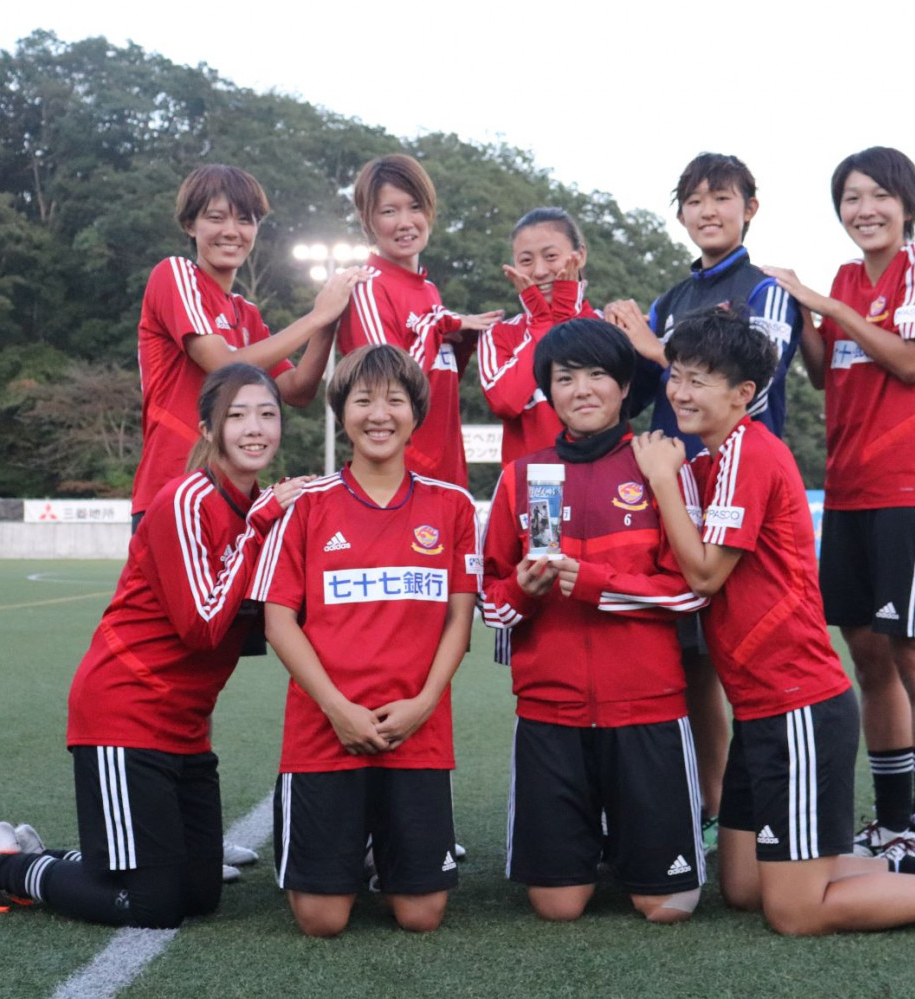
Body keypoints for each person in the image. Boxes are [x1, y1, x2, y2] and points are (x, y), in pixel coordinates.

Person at [631, 306, 915, 935]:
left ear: (742, 393)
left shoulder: (748, 454)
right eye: (676, 375)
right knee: (743, 887)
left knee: (793, 913)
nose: (680, 391)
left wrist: (661, 480)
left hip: (797, 707)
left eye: (698, 379)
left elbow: (706, 574)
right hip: (759, 708)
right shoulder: (713, 460)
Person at [0, 364, 302, 928]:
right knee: (154, 906)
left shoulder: (259, 511)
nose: (255, 427)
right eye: (238, 415)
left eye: (267, 414)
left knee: (199, 895)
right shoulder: (186, 499)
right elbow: (201, 627)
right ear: (207, 430)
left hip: (186, 728)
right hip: (126, 713)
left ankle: (33, 853)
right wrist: (258, 530)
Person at [762, 147, 915, 856]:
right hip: (849, 491)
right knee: (871, 661)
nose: (865, 209)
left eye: (879, 195)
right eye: (851, 197)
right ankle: (892, 821)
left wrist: (827, 305)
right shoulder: (849, 275)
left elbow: (910, 360)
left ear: (906, 203)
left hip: (913, 490)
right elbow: (826, 374)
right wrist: (804, 319)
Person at [480, 318, 708, 924]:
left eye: (598, 375)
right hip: (550, 713)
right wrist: (524, 592)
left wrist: (596, 584)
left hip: (646, 709)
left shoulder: (660, 466)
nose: (582, 390)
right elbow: (492, 602)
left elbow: (693, 592)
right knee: (556, 907)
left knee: (667, 906)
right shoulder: (524, 477)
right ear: (548, 392)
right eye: (565, 378)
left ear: (625, 386)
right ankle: (596, 845)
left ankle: (631, 842)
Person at [604, 153, 802, 837]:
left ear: (751, 207)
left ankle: (766, 810)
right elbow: (634, 390)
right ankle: (712, 809)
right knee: (687, 661)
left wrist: (652, 346)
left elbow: (759, 385)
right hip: (672, 492)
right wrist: (611, 338)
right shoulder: (670, 299)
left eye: (721, 197)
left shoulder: (767, 289)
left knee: (740, 654)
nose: (707, 210)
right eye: (693, 200)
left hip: (737, 495)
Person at [251, 344, 479, 936]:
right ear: (341, 412)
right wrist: (337, 708)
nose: (379, 415)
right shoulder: (307, 505)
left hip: (417, 729)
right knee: (321, 921)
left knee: (422, 916)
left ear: (416, 412)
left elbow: (459, 619)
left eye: (395, 401)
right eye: (363, 401)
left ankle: (380, 851)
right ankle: (354, 848)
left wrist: (424, 703)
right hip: (325, 731)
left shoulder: (452, 505)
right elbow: (279, 621)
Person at [131, 163, 359, 528]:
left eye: (245, 220)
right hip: (173, 491)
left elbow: (298, 390)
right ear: (190, 225)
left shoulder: (246, 313)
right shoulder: (175, 275)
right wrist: (316, 317)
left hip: (237, 499)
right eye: (216, 218)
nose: (231, 231)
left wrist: (329, 319)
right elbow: (224, 366)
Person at [335, 154, 502, 490]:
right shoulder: (368, 287)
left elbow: (434, 383)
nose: (405, 222)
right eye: (389, 211)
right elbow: (386, 386)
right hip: (401, 483)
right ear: (367, 220)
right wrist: (438, 325)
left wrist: (462, 341)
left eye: (415, 207)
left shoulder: (429, 290)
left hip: (447, 477)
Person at [478, 208, 600, 468]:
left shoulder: (609, 325)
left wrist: (565, 316)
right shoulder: (499, 334)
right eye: (526, 260)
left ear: (580, 255)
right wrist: (542, 324)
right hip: (531, 483)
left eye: (551, 256)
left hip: (602, 479)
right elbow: (505, 403)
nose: (540, 271)